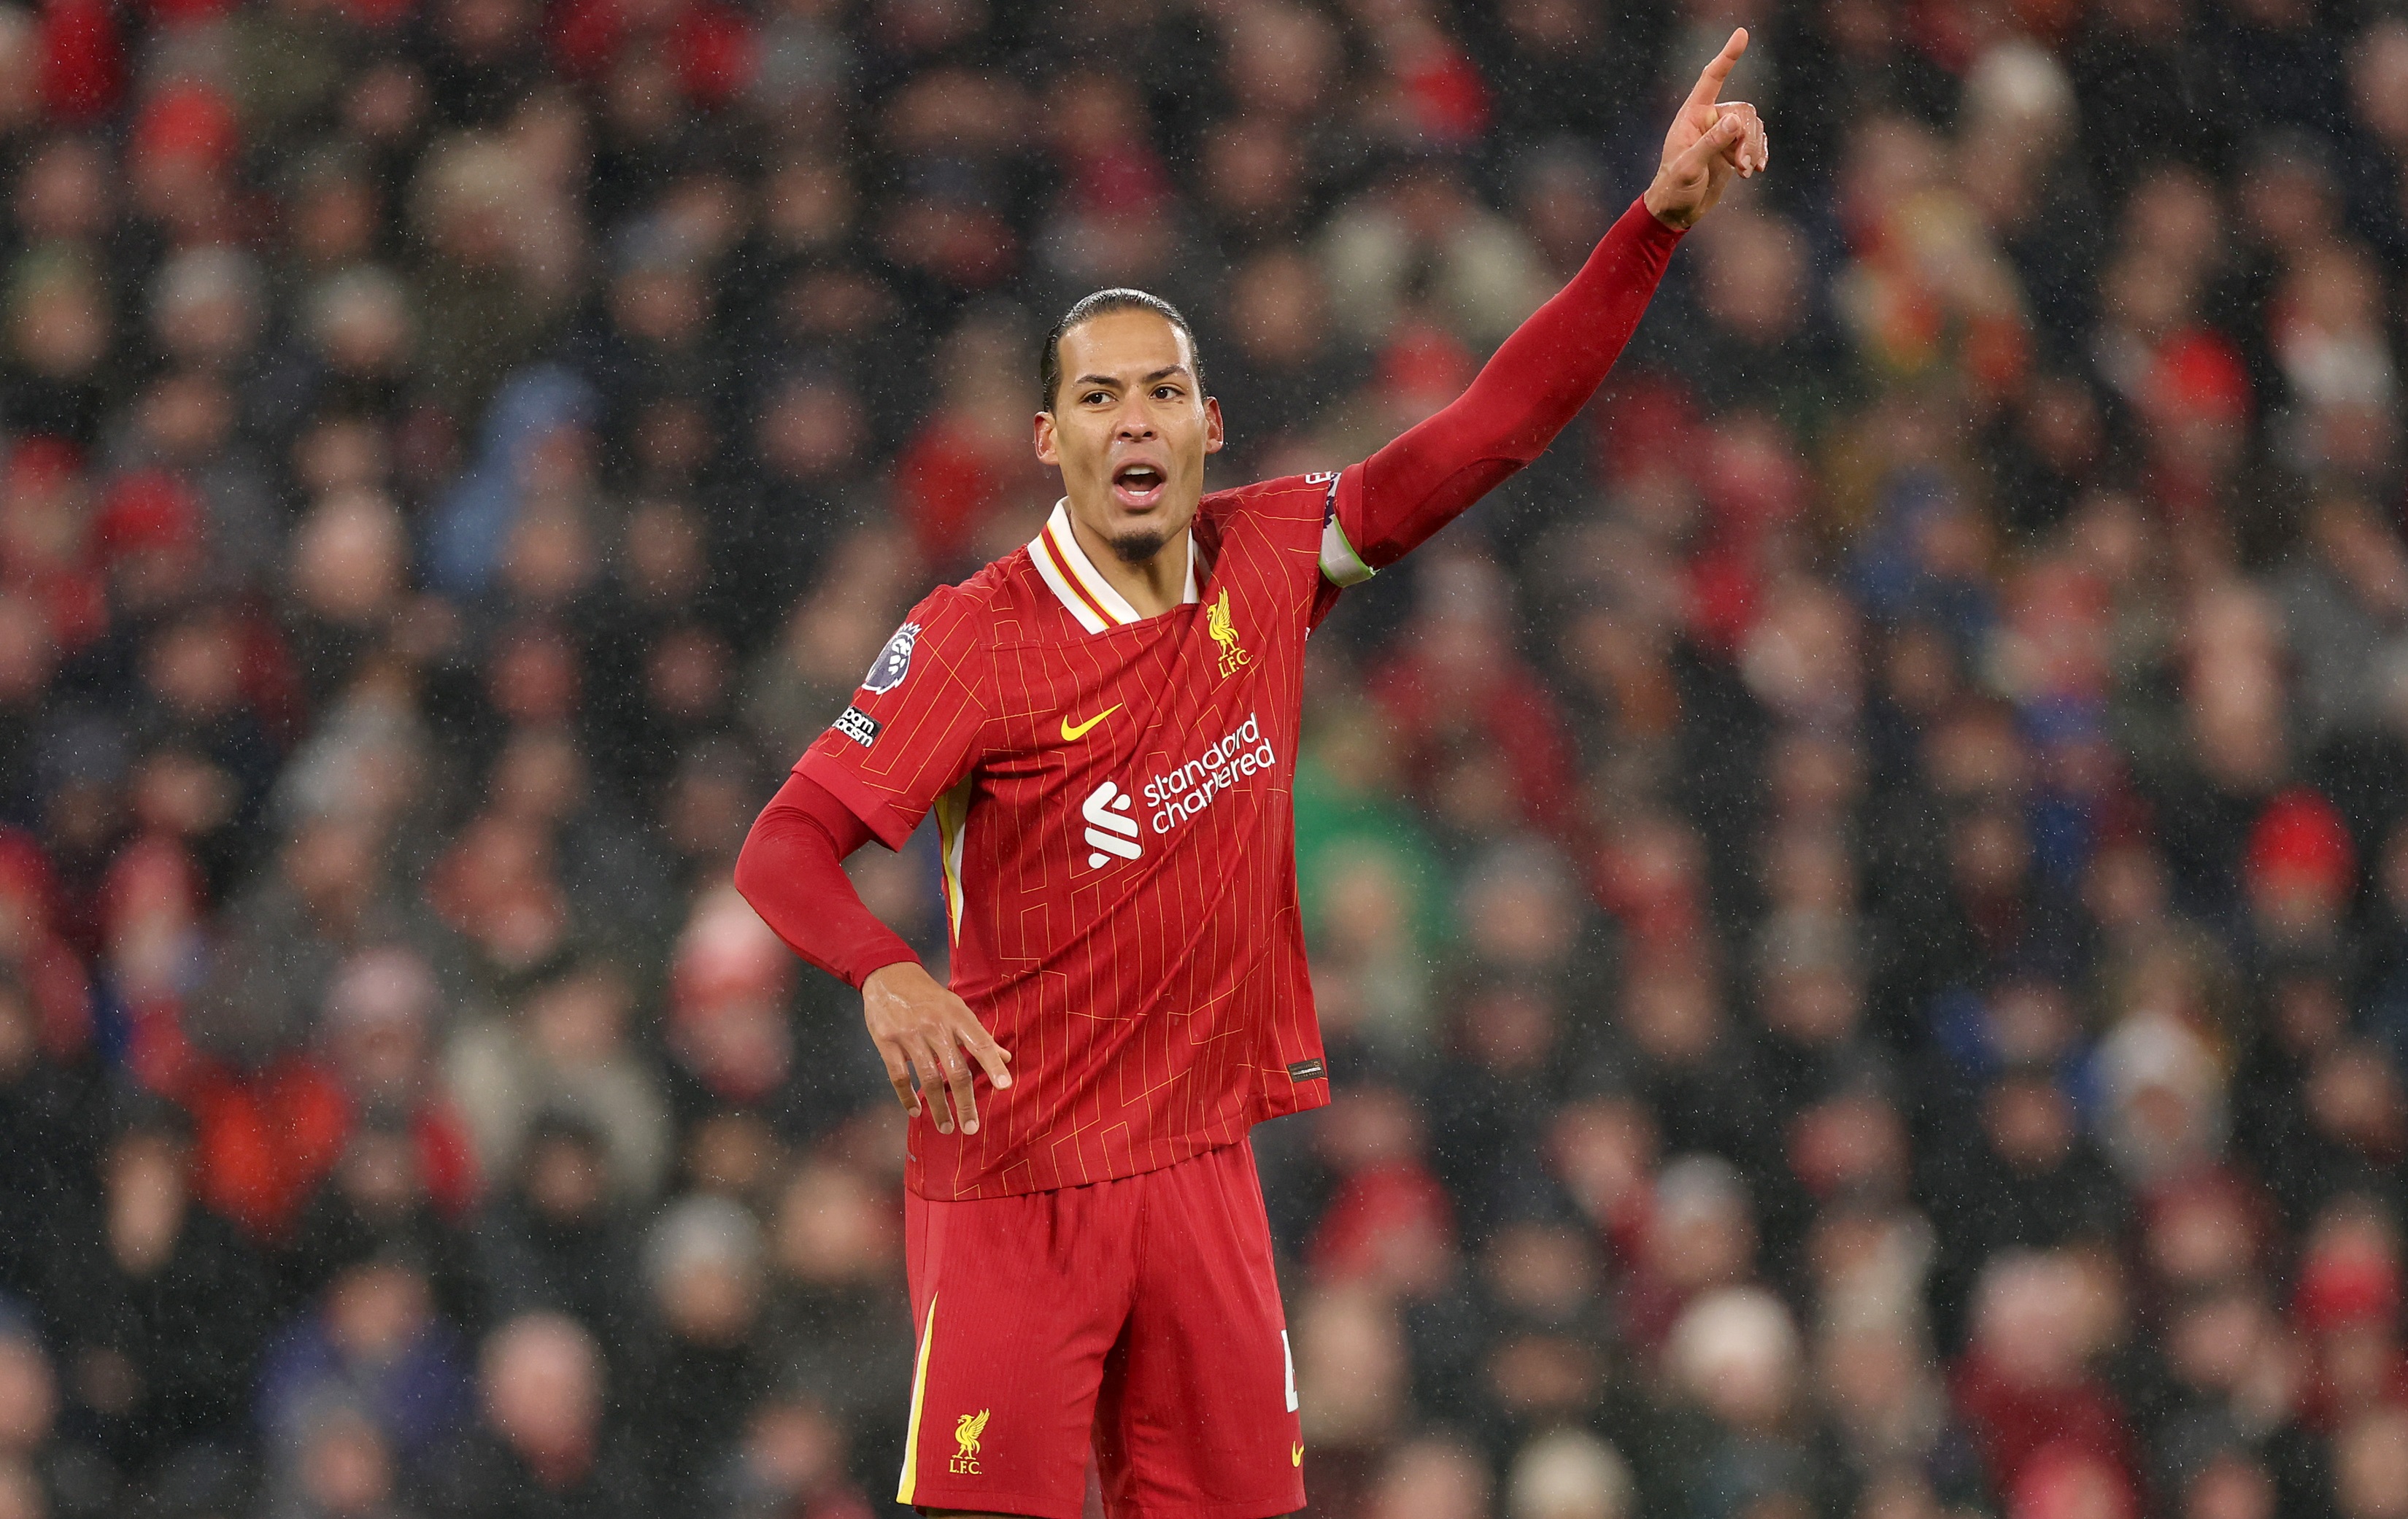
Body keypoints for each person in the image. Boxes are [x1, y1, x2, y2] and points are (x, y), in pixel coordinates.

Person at [733, 31, 1771, 1519]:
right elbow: (785, 845)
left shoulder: (1270, 559)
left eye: (1163, 392)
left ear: (1208, 423)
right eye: (1098, 399)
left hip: (1202, 1171)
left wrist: (1653, 223)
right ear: (1049, 440)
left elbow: (1494, 429)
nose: (1135, 421)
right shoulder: (975, 641)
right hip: (1017, 1183)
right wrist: (886, 975)